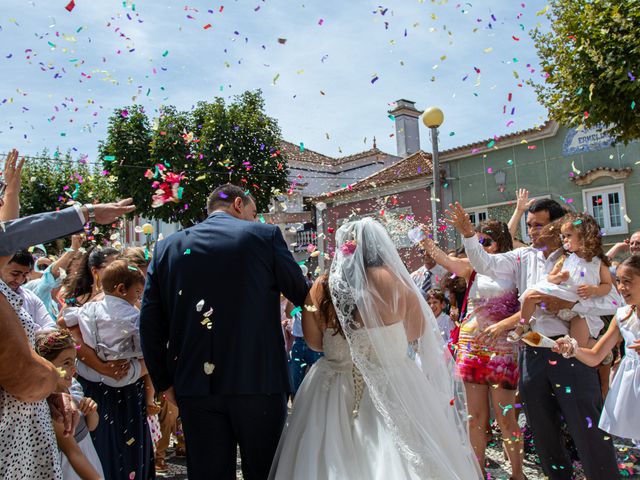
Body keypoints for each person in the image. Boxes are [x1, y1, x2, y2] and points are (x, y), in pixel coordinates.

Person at [269, 218, 481, 479]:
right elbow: (416, 331)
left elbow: (313, 341)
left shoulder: (321, 286)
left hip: (333, 384)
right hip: (393, 380)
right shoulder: (398, 282)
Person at [140, 183, 309, 480]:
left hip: (194, 384)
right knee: (266, 472)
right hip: (260, 380)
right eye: (254, 212)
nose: (255, 219)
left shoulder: (166, 248)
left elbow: (150, 323)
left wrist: (164, 381)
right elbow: (302, 294)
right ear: (238, 205)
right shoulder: (264, 236)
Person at [446, 199, 622, 480]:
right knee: (542, 430)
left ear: (559, 224)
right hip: (532, 350)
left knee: (584, 426)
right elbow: (485, 263)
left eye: (538, 226)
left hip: (569, 349)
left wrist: (570, 307)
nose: (533, 232)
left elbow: (612, 302)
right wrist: (468, 234)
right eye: (528, 226)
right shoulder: (524, 256)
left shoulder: (581, 258)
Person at [419, 220, 524, 479]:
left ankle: (518, 474)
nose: (479, 247)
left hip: (501, 351)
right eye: (477, 243)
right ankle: (478, 473)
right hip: (471, 349)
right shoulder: (473, 269)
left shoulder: (516, 268)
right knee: (475, 418)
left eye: (485, 242)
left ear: (500, 243)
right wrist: (423, 240)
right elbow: (443, 259)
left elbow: (528, 308)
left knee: (506, 419)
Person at [61, 258, 155, 480]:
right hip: (120, 385)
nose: (139, 297)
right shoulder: (132, 315)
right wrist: (107, 367)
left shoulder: (88, 309)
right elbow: (150, 345)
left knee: (106, 442)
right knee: (119, 442)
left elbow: (63, 321)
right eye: (138, 292)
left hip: (97, 383)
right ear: (122, 288)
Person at [554, 255, 640, 441]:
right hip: (634, 386)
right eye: (618, 281)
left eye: (627, 282)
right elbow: (595, 355)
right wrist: (573, 349)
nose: (621, 288)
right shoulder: (623, 315)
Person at [515, 213, 615, 348]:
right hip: (561, 298)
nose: (564, 240)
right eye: (563, 237)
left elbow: (607, 285)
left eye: (568, 236)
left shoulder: (598, 262)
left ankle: (603, 349)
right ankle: (523, 324)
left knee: (577, 345)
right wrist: (559, 277)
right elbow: (550, 277)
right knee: (529, 296)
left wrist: (594, 290)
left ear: (584, 236)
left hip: (580, 309)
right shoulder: (565, 258)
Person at [35, 329, 105, 480]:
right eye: (66, 363)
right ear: (46, 364)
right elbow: (73, 453)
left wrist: (91, 411)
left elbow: (91, 427)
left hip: (88, 456)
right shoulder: (52, 406)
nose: (73, 369)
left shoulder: (73, 386)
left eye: (74, 362)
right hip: (70, 466)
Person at [1, 249, 57, 331]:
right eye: (15, 274)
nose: (19, 280)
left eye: (24, 275)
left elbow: (50, 326)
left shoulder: (30, 297)